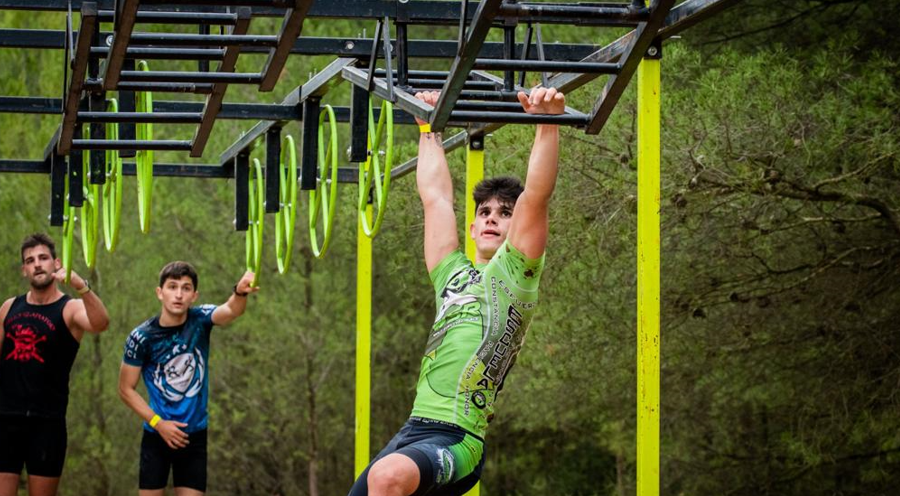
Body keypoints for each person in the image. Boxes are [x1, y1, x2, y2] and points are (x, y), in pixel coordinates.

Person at [348, 87, 565, 496]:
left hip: (458, 439)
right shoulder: (452, 274)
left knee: (388, 476)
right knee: (382, 478)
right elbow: (435, 199)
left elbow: (536, 197)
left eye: (505, 213)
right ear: (472, 226)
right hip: (413, 431)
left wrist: (547, 122)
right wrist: (428, 127)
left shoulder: (515, 275)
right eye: (484, 212)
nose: (491, 219)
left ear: (517, 226)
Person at [118, 262, 258, 496]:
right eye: (172, 287)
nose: (179, 294)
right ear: (160, 293)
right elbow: (125, 389)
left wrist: (240, 291)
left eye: (186, 288)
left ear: (194, 295)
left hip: (194, 436)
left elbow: (231, 310)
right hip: (156, 434)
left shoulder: (200, 320)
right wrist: (158, 424)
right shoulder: (141, 337)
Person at [0, 233, 110, 496]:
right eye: (30, 260)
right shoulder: (8, 307)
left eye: (43, 258)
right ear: (24, 270)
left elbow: (101, 323)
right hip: (5, 419)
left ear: (56, 263)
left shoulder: (69, 308)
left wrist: (79, 285)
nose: (37, 264)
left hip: (47, 423)